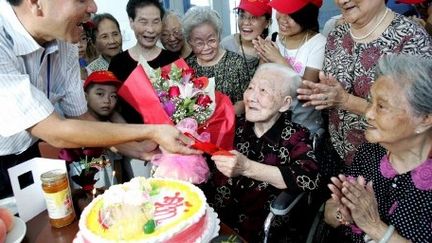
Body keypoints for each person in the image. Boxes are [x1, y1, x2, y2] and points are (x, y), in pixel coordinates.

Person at [0, 0, 197, 199]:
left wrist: (135, 148)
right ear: (36, 3)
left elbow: (81, 117)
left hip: (28, 155)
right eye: (81, 0)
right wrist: (153, 131)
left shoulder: (65, 42)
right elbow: (55, 130)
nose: (93, 8)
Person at [297, 0, 432, 167]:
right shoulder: (337, 35)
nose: (341, 1)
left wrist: (346, 101)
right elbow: (330, 92)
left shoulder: (410, 38)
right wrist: (320, 95)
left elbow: (415, 115)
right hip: (335, 151)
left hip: (387, 162)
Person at [203, 63, 320, 242]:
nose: (251, 97)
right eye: (250, 87)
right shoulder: (233, 126)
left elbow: (309, 177)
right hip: (215, 219)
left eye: (263, 90)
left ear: (285, 104)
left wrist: (247, 167)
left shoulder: (295, 136)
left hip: (256, 231)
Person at [324, 54, 432, 242]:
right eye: (371, 102)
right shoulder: (370, 153)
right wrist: (344, 215)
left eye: (381, 106)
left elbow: (371, 225)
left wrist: (374, 226)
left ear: (424, 120)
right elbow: (329, 211)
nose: (368, 114)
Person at [253, 0, 326, 135]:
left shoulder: (318, 43)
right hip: (273, 127)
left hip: (304, 129)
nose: (282, 19)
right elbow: (258, 86)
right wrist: (264, 59)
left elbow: (306, 92)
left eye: (291, 14)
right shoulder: (273, 39)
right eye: (280, 10)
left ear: (306, 16)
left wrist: (279, 59)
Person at [108, 0, 179, 124]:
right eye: (143, 22)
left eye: (156, 22)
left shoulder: (173, 60)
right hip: (130, 137)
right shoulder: (118, 63)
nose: (150, 29)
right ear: (131, 22)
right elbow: (111, 107)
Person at [183, 6, 250, 115]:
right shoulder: (187, 66)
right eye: (199, 43)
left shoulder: (236, 63)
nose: (206, 47)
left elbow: (244, 102)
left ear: (218, 36)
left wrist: (219, 117)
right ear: (190, 42)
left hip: (230, 125)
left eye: (211, 40)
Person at [220, 0, 272, 81]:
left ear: (267, 23)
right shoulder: (226, 45)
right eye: (242, 16)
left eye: (254, 17)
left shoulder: (271, 50)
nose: (246, 22)